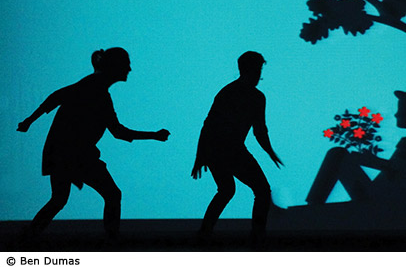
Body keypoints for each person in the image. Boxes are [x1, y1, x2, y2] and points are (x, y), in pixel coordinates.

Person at [17, 47, 170, 241]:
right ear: (115, 67)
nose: (129, 69)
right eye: (126, 65)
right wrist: (154, 135)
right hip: (74, 155)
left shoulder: (90, 86)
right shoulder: (95, 90)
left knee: (59, 199)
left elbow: (56, 97)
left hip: (62, 153)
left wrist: (29, 121)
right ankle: (112, 240)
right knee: (111, 195)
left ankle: (30, 235)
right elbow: (118, 132)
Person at [192, 51, 282, 245]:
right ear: (247, 69)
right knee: (260, 191)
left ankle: (205, 233)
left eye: (260, 69)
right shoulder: (240, 95)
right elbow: (210, 126)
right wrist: (200, 156)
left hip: (221, 150)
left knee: (227, 190)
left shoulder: (243, 94)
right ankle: (257, 236)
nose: (259, 74)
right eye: (257, 69)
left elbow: (259, 130)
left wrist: (270, 151)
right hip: (228, 150)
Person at [305, 85, 406, 215]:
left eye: (403, 109)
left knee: (337, 154)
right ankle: (314, 204)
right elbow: (393, 169)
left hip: (384, 201)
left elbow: (398, 171)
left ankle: (313, 205)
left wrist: (371, 161)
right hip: (378, 191)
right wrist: (372, 161)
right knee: (338, 154)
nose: (397, 114)